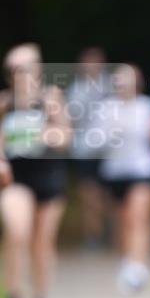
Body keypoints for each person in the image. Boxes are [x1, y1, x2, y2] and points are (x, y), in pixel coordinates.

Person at [0, 43, 71, 298]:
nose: (19, 74)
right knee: (17, 230)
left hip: (48, 177)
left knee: (42, 242)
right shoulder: (3, 102)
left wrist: (47, 135)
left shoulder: (51, 97)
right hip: (16, 178)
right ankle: (13, 295)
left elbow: (66, 135)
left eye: (24, 68)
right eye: (13, 69)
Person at [96, 64, 150, 294]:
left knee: (138, 217)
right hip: (114, 171)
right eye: (118, 80)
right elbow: (96, 140)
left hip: (142, 169)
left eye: (126, 80)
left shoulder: (147, 106)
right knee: (122, 221)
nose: (122, 85)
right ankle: (127, 261)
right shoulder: (105, 108)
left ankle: (139, 267)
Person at [65, 47, 112, 251]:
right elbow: (71, 119)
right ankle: (92, 235)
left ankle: (111, 234)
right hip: (84, 150)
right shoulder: (75, 90)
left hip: (109, 150)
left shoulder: (110, 86)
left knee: (108, 196)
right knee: (88, 196)